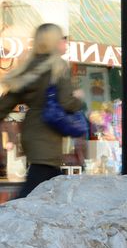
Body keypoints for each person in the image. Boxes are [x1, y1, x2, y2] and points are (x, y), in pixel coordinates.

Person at [0, 23, 84, 199]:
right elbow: (67, 103)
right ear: (53, 41)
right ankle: (8, 218)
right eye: (62, 38)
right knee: (35, 188)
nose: (65, 42)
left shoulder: (29, 67)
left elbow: (5, 104)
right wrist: (78, 98)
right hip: (47, 136)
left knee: (52, 185)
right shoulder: (58, 66)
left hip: (32, 132)